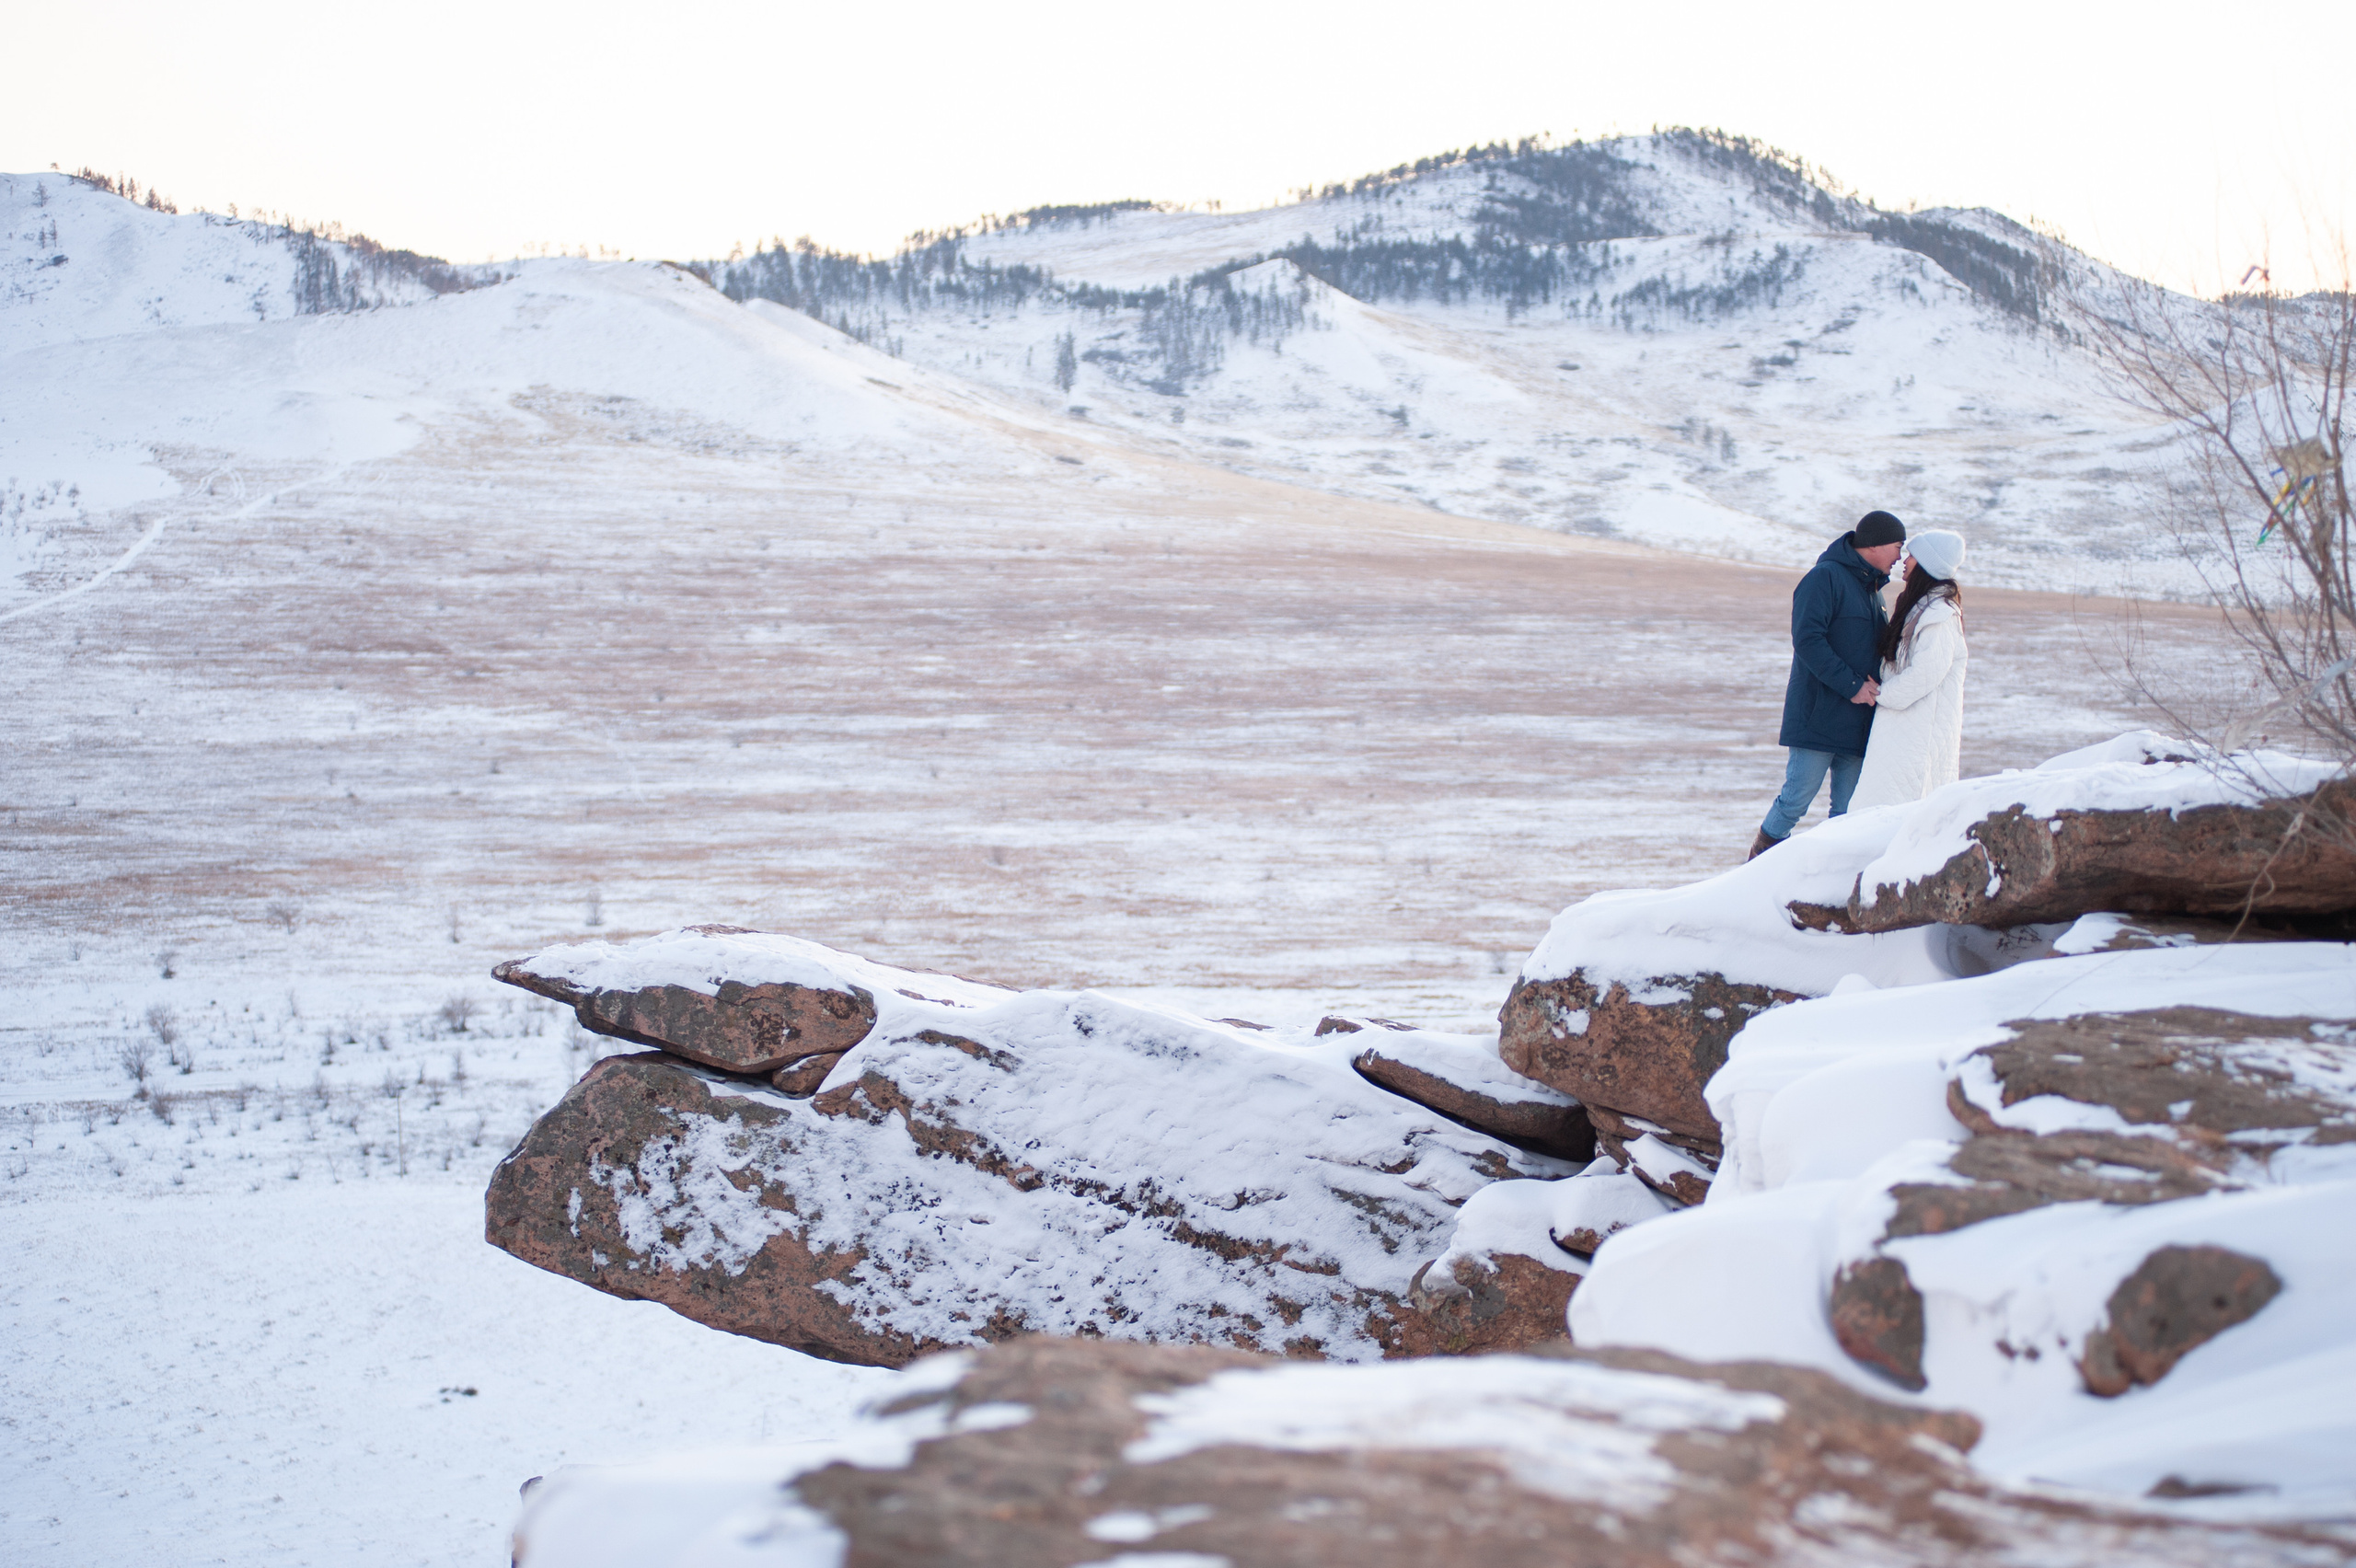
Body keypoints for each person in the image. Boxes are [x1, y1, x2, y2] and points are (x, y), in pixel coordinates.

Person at [1749, 511, 1906, 859]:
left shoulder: (1873, 591)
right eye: (1898, 546)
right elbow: (1808, 640)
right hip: (1818, 719)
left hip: (1858, 723)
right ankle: (1753, 873)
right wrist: (1852, 685)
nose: (1901, 556)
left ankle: (1835, 879)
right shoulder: (1824, 579)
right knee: (1794, 802)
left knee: (1849, 814)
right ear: (1875, 544)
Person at [1849, 530, 1968, 810]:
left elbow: (1924, 675)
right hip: (1905, 728)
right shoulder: (1921, 609)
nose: (1905, 560)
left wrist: (1882, 694)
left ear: (1927, 565)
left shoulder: (1940, 616)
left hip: (1919, 734)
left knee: (1898, 808)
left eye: (1913, 556)